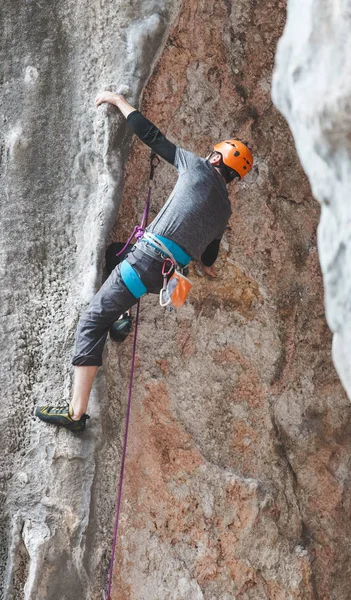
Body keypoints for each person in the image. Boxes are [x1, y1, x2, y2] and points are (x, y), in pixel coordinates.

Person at [35, 92, 253, 432]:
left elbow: (152, 137)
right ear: (234, 177)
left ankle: (75, 414)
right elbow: (209, 257)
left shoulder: (195, 166)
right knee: (112, 255)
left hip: (145, 263)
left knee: (92, 321)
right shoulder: (224, 210)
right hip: (160, 277)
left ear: (215, 158)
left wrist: (118, 100)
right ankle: (121, 319)